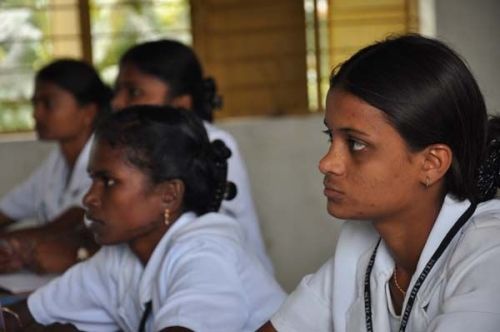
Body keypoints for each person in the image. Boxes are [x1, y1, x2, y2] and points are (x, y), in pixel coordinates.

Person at [260, 34, 500, 331]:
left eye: (356, 143)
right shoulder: (360, 244)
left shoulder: (490, 253)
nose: (327, 163)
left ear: (432, 163)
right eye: (330, 137)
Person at [4, 105, 285, 331]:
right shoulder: (120, 258)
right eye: (92, 180)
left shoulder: (206, 255)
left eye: (108, 181)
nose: (89, 197)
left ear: (168, 195)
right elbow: (27, 314)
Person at [111, 39, 274, 272]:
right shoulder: (130, 148)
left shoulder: (214, 144)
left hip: (223, 274)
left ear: (181, 104)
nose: (117, 102)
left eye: (134, 92)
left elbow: (194, 232)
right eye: (117, 90)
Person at [0, 59, 111, 273]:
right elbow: (7, 210)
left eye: (48, 104)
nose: (36, 114)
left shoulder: (107, 160)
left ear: (88, 112)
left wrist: (10, 240)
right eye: (35, 104)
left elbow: (66, 226)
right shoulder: (56, 161)